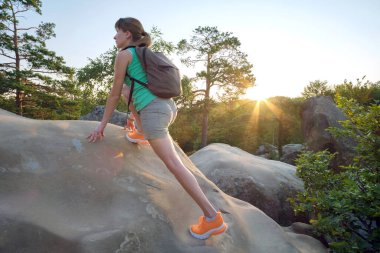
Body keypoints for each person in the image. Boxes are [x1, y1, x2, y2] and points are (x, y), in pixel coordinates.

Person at [87, 17, 227, 240]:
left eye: (118, 32)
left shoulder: (124, 54)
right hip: (168, 107)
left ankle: (212, 218)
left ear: (128, 35)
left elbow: (113, 94)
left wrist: (101, 126)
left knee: (174, 164)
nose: (114, 36)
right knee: (127, 90)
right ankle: (140, 130)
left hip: (154, 113)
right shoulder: (143, 54)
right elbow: (125, 91)